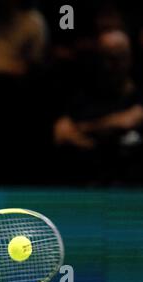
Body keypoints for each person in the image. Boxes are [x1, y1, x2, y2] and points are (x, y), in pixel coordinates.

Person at [53, 30, 143, 185]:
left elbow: (128, 121)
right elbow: (61, 134)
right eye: (105, 57)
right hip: (90, 184)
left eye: (117, 58)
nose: (111, 65)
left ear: (130, 59)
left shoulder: (139, 95)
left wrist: (84, 130)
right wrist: (108, 134)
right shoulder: (83, 97)